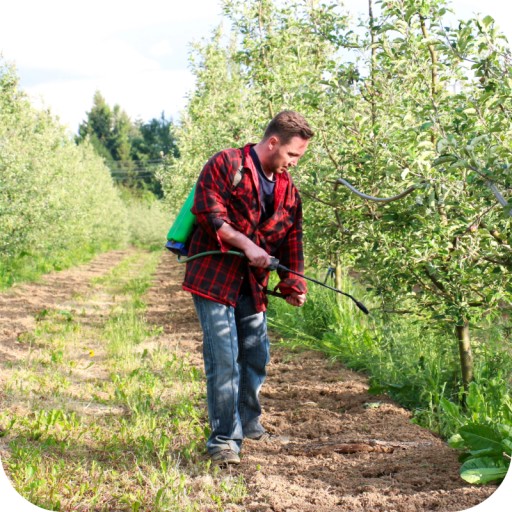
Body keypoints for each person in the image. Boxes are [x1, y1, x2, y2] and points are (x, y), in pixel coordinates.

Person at [182, 110, 314, 466]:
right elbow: (209, 214)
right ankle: (223, 441)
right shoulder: (227, 164)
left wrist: (293, 283)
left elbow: (293, 238)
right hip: (214, 276)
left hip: (252, 284)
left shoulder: (288, 191)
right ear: (273, 142)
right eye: (292, 154)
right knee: (225, 360)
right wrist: (247, 245)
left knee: (255, 355)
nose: (294, 163)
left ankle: (250, 425)